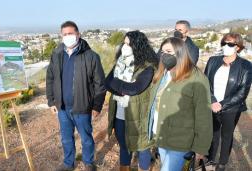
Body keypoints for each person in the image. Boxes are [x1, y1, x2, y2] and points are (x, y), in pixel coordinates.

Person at [46, 21, 106, 171]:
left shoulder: (91, 56)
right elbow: (50, 78)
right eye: (65, 34)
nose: (68, 36)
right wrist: (51, 101)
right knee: (66, 139)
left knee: (86, 138)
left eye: (71, 33)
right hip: (63, 107)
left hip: (82, 107)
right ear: (61, 36)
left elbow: (100, 83)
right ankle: (68, 163)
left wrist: (97, 105)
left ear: (78, 34)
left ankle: (88, 162)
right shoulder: (57, 55)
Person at [147, 37, 213, 171]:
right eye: (162, 51)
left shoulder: (197, 78)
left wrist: (201, 147)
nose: (164, 55)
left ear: (180, 53)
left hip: (181, 140)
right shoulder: (162, 74)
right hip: (161, 136)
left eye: (169, 51)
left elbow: (203, 115)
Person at [105, 31, 158, 171]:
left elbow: (135, 88)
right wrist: (123, 88)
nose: (125, 47)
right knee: (124, 144)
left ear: (138, 46)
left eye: (129, 44)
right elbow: (107, 83)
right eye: (124, 43)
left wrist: (117, 84)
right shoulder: (120, 62)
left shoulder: (147, 66)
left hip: (138, 115)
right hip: (120, 113)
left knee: (142, 147)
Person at [204, 33, 252, 171]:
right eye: (224, 43)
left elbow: (242, 93)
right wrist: (213, 101)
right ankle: (210, 159)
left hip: (231, 108)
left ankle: (222, 163)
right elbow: (205, 83)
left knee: (227, 135)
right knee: (213, 133)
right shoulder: (213, 60)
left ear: (238, 47)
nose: (226, 46)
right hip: (212, 105)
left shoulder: (246, 66)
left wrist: (222, 104)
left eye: (230, 44)